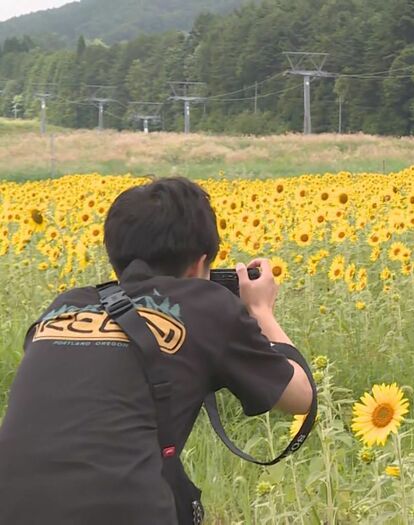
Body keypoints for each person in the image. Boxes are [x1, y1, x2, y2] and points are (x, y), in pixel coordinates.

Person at [0, 177, 314, 524]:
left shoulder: (62, 308)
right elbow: (301, 397)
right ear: (200, 263)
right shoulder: (208, 304)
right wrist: (261, 312)